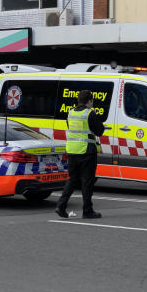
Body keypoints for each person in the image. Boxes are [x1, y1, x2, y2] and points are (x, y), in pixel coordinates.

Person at [55, 91, 105, 219]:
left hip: (72, 150)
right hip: (86, 151)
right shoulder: (89, 113)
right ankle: (87, 211)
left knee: (72, 180)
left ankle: (60, 206)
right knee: (87, 182)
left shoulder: (71, 113)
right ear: (89, 101)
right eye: (92, 101)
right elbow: (99, 131)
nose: (92, 103)